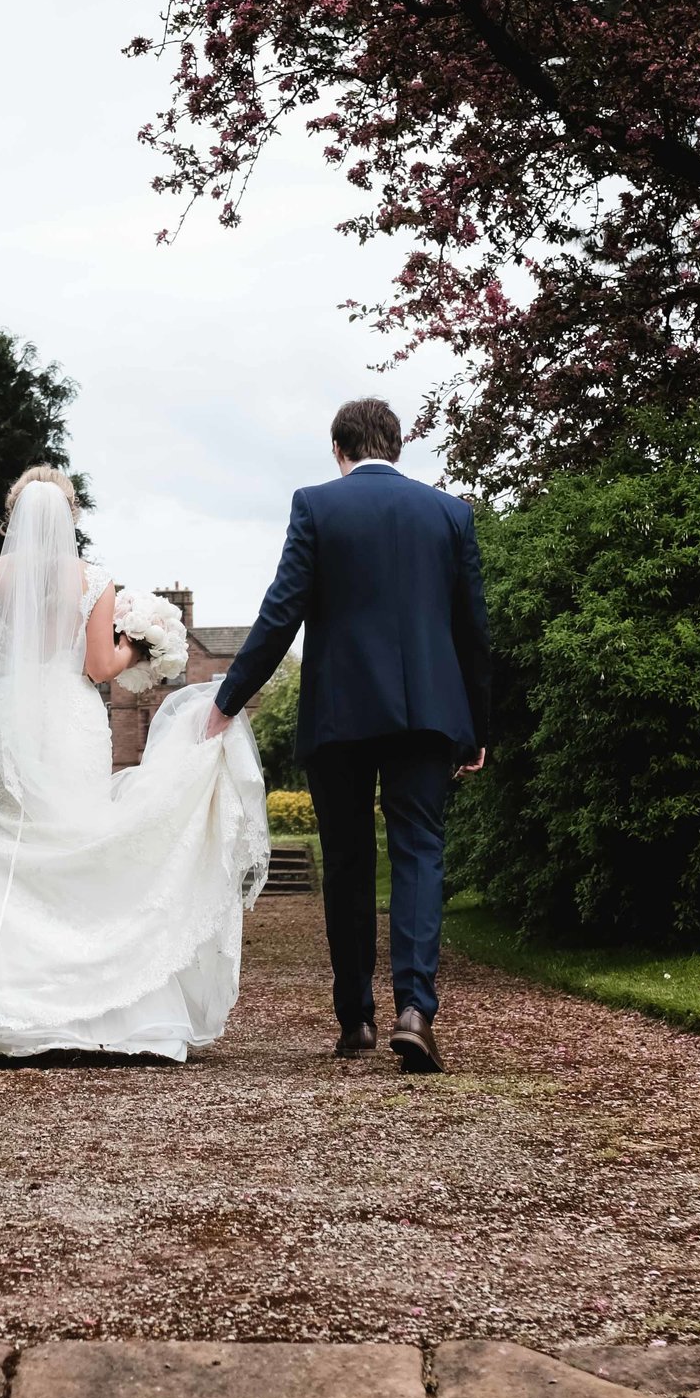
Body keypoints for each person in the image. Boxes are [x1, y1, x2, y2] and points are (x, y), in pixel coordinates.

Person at [0, 467, 270, 1061]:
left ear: (13, 516)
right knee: (80, 843)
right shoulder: (93, 580)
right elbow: (101, 667)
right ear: (70, 518)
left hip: (12, 722)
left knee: (8, 846)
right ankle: (101, 1004)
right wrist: (140, 644)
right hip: (72, 724)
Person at [203, 400, 491, 1073]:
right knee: (419, 849)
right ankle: (415, 1009)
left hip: (340, 713)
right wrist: (478, 723)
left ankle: (356, 1018)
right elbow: (473, 630)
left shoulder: (316, 506)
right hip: (427, 712)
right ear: (397, 445)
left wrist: (228, 697)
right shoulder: (450, 514)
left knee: (349, 861)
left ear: (339, 449)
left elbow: (281, 611)